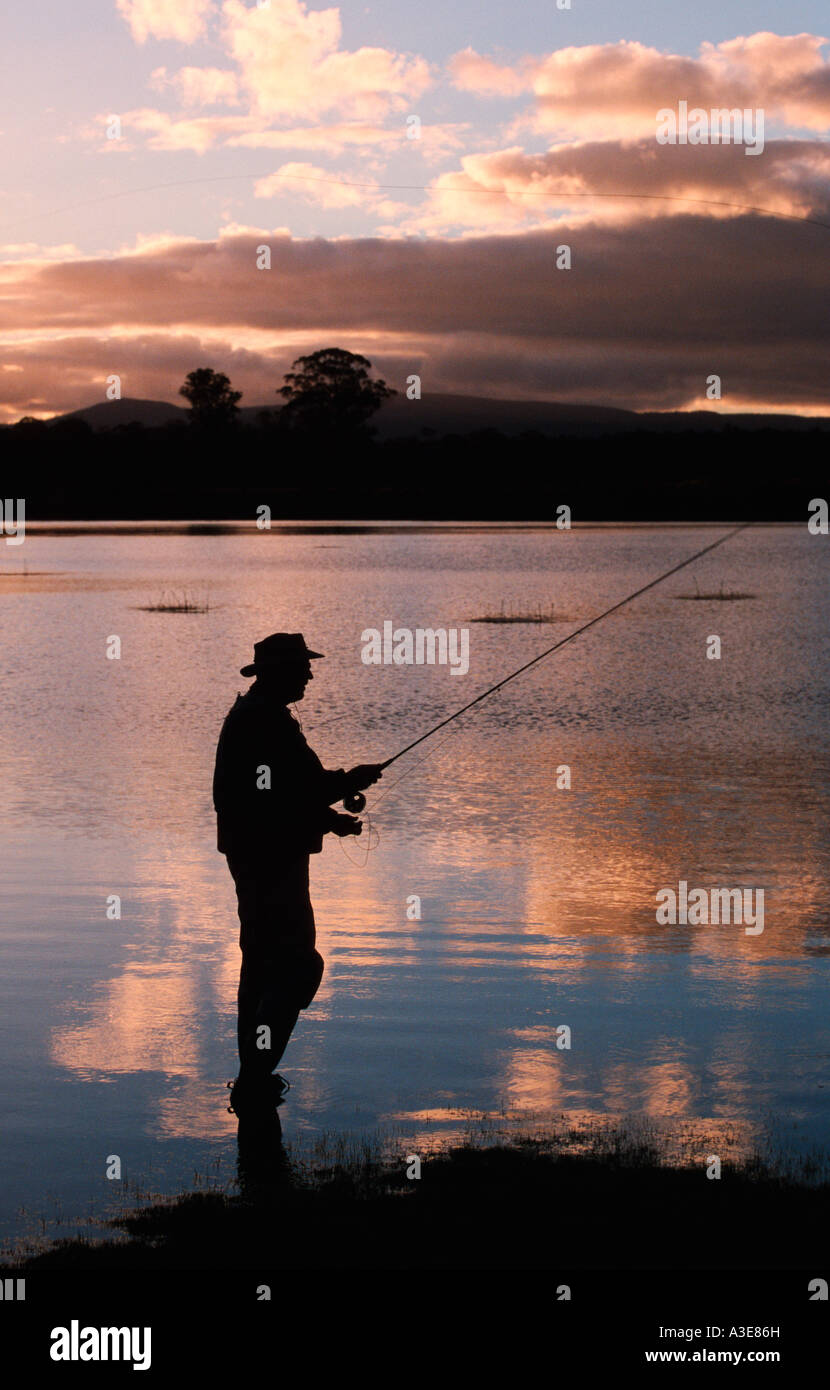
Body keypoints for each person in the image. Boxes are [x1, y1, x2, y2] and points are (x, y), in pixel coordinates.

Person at [213, 632, 382, 1122]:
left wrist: (328, 819)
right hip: (270, 863)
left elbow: (279, 794)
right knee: (294, 968)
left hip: (263, 857)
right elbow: (291, 790)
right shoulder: (264, 721)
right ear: (279, 671)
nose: (310, 674)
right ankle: (255, 1077)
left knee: (263, 967)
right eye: (302, 667)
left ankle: (255, 1078)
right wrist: (349, 780)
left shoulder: (260, 717)